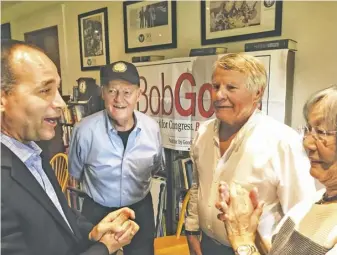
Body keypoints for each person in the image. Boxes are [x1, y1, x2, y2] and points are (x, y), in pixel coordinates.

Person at [1, 39, 139, 255]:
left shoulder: (33, 151)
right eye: (45, 90)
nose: (61, 103)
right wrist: (104, 248)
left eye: (58, 88)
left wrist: (92, 232)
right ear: (3, 97)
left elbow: (56, 217)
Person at [185, 53, 316, 255]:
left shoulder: (282, 141)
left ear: (257, 93)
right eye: (215, 86)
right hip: (207, 245)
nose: (219, 95)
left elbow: (300, 215)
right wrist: (192, 232)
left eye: (231, 88)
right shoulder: (203, 132)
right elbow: (198, 186)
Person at [216, 84, 337, 255]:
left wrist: (242, 239)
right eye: (308, 130)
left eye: (321, 132)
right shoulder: (316, 200)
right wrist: (249, 229)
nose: (308, 143)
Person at [68, 61, 164, 255]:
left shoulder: (152, 128)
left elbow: (155, 167)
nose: (119, 99)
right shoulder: (84, 131)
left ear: (139, 94)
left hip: (140, 211)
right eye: (112, 91)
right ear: (103, 93)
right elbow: (75, 173)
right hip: (96, 212)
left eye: (127, 92)